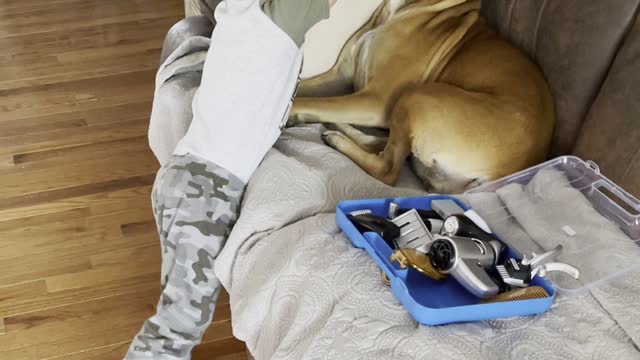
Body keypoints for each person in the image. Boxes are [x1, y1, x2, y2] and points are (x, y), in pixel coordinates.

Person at [124, 0, 336, 358]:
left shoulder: (237, 14)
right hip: (204, 190)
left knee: (180, 314)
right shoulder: (273, 23)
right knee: (178, 326)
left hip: (188, 178)